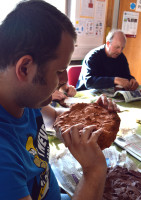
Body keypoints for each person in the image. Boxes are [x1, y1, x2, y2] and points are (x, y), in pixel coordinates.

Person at [0, 1, 119, 200]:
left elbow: (56, 118)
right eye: (59, 71)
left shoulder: (24, 100)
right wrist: (95, 171)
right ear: (25, 68)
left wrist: (93, 117)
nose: (65, 80)